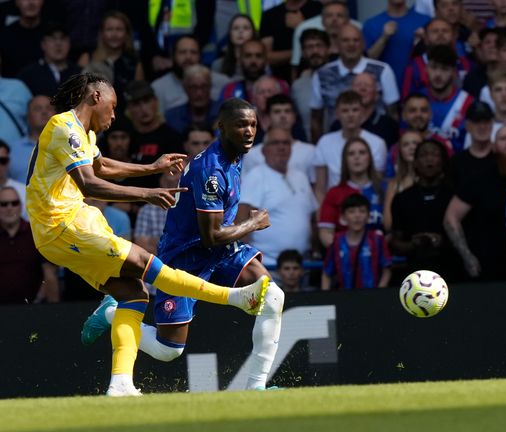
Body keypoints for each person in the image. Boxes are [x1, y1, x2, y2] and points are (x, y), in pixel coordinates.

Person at [29, 73, 268, 396]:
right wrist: (146, 194)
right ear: (95, 98)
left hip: (67, 227)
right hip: (63, 225)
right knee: (147, 263)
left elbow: (101, 167)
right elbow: (89, 183)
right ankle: (234, 298)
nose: (114, 116)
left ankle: (121, 384)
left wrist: (152, 168)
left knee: (134, 292)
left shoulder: (83, 134)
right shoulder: (63, 127)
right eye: (112, 107)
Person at [444, 101, 506, 281]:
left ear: (492, 124)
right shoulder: (457, 162)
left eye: (486, 121)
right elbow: (451, 214)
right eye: (476, 121)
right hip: (474, 245)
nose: (481, 126)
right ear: (467, 125)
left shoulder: (504, 159)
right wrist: (466, 255)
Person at [238, 127, 317, 266]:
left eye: (286, 143)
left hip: (302, 265)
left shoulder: (300, 176)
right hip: (268, 266)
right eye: (275, 143)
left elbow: (312, 218)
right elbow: (242, 221)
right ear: (264, 150)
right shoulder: (256, 176)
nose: (281, 147)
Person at [390, 138, 460, 280]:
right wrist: (413, 244)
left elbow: (468, 239)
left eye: (434, 155)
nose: (429, 159)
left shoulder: (456, 196)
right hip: (414, 274)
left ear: (443, 161)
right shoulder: (402, 199)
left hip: (453, 271)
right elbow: (395, 243)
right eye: (423, 155)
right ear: (415, 163)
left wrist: (442, 242)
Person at [313, 91, 387, 202]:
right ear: (337, 114)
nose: (350, 115)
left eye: (355, 110)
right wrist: (324, 215)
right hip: (334, 205)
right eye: (345, 110)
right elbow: (320, 189)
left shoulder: (378, 143)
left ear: (363, 113)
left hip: (366, 206)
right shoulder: (324, 142)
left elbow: (377, 185)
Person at [317, 137, 385, 248]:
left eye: (362, 153)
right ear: (345, 160)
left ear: (369, 158)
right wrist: (347, 253)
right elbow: (325, 233)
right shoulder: (334, 193)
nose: (357, 157)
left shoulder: (384, 190)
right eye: (351, 154)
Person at [0, 186, 59, 304]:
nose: (9, 208)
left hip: (32, 311)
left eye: (14, 203)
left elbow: (50, 275)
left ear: (21, 206)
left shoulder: (36, 234)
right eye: (4, 204)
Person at [321, 193, 392, 290]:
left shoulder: (377, 239)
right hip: (344, 299)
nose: (357, 216)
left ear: (368, 216)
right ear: (343, 217)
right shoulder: (337, 241)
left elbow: (386, 270)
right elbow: (327, 273)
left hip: (371, 297)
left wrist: (379, 292)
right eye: (351, 212)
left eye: (362, 211)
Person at [17, 22, 81, 98]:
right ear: (43, 44)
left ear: (69, 44)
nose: (58, 43)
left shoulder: (80, 73)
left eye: (63, 38)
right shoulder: (27, 75)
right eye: (52, 38)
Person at [8, 95, 54, 183]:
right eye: (37, 109)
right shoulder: (11, 149)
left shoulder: (68, 145)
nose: (44, 112)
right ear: (28, 117)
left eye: (49, 108)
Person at [164, 65, 220, 134]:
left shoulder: (223, 114)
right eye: (193, 87)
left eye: (204, 87)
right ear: (185, 88)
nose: (199, 93)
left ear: (210, 87)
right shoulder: (172, 117)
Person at [383, 130, 420, 232]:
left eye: (416, 143)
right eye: (406, 144)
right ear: (400, 152)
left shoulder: (436, 180)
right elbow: (388, 224)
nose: (412, 147)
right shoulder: (393, 184)